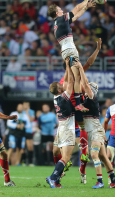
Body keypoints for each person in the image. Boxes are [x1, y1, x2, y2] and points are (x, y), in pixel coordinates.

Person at [52, 38, 102, 183]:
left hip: (80, 114)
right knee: (56, 151)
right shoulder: (65, 81)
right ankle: (60, 170)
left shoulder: (79, 76)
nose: (76, 67)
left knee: (84, 148)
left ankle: (82, 172)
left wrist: (97, 49)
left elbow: (88, 63)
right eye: (73, 65)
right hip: (68, 117)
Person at [74, 61, 115, 189]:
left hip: (96, 131)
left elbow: (85, 83)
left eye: (87, 86)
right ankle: (114, 180)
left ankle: (100, 181)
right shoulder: (86, 99)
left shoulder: (91, 95)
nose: (85, 87)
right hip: (94, 130)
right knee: (104, 158)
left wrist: (80, 69)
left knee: (94, 155)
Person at [48, 0, 96, 112]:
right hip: (69, 49)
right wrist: (86, 0)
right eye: (60, 9)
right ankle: (78, 103)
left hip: (66, 50)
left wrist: (87, 7)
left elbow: (76, 16)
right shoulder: (61, 19)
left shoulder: (59, 23)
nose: (62, 10)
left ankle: (78, 103)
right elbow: (76, 9)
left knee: (77, 76)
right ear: (56, 13)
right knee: (77, 76)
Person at [47, 58, 74, 188]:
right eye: (60, 85)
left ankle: (56, 181)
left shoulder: (55, 97)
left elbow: (65, 81)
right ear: (59, 90)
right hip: (67, 128)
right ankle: (53, 178)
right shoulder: (63, 97)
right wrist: (68, 67)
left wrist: (67, 66)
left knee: (59, 153)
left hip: (61, 127)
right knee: (66, 157)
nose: (62, 84)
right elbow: (70, 82)